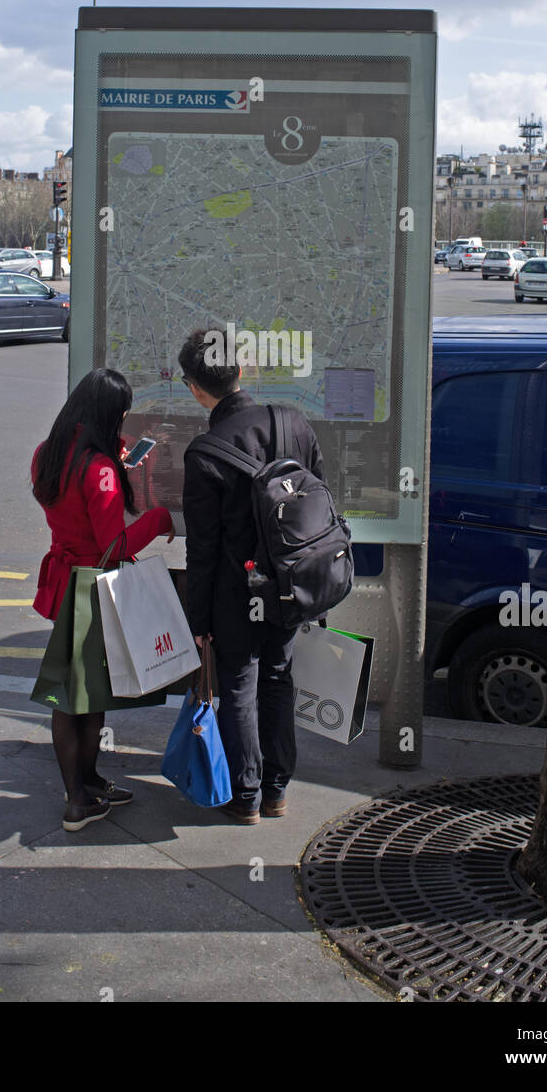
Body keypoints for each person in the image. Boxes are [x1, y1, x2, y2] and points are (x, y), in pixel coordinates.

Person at [179, 329, 326, 825]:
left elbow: (201, 551)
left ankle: (244, 797)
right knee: (279, 676)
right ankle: (277, 789)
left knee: (238, 684)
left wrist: (196, 618)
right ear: (242, 371)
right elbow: (318, 498)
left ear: (195, 388)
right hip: (291, 582)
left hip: (235, 591)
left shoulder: (204, 454)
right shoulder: (292, 422)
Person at [31, 367, 174, 832]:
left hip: (64, 582)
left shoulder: (47, 454)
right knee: (81, 701)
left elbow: (70, 502)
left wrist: (110, 466)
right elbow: (116, 546)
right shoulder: (100, 470)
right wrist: (157, 519)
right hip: (93, 588)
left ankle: (88, 785)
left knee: (76, 693)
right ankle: (78, 799)